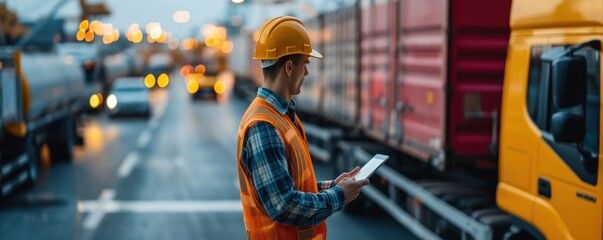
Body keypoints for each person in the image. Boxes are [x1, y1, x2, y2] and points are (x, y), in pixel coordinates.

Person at [236, 16, 370, 240]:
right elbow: (283, 205)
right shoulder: (264, 125)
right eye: (305, 63)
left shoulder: (281, 116)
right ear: (289, 67)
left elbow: (289, 184)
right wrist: (338, 196)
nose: (307, 73)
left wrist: (333, 185)